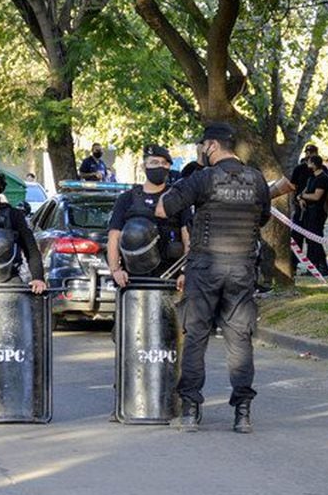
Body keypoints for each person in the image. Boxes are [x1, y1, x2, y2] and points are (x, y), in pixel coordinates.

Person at [157, 122, 271, 433]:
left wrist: (178, 185)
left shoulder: (203, 178)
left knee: (195, 337)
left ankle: (191, 409)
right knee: (240, 340)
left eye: (202, 147)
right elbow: (262, 217)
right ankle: (243, 412)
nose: (201, 152)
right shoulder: (257, 179)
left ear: (212, 146)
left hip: (205, 268)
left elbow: (163, 209)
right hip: (242, 270)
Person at [107, 144, 190, 287]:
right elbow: (114, 237)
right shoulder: (127, 199)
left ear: (169, 167)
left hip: (172, 278)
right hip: (134, 280)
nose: (159, 167)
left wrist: (186, 272)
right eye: (154, 162)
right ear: (144, 166)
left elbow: (188, 237)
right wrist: (115, 270)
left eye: (164, 163)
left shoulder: (178, 199)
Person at [298, 154, 328, 277]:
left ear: (315, 164)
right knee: (310, 241)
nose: (308, 165)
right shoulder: (311, 178)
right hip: (308, 212)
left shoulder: (322, 178)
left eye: (310, 163)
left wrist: (303, 196)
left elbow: (317, 196)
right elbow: (304, 192)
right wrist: (300, 198)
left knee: (315, 240)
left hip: (317, 212)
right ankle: (312, 267)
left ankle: (322, 266)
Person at [289, 144, 319, 272]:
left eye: (312, 152)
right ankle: (293, 265)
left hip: (315, 209)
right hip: (299, 207)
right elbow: (293, 187)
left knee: (313, 239)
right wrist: (295, 201)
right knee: (296, 237)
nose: (309, 155)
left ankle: (313, 266)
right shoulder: (299, 169)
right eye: (308, 152)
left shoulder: (321, 171)